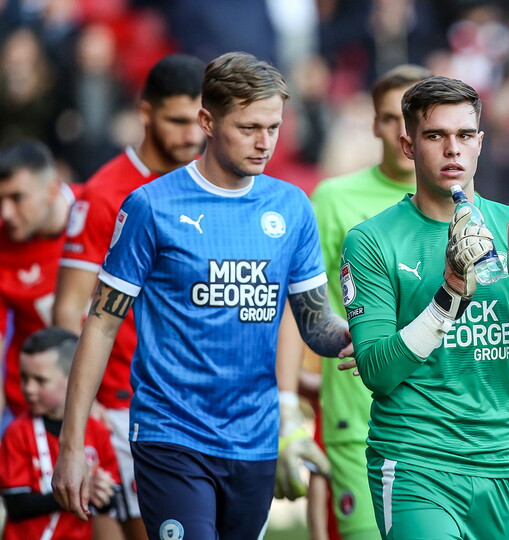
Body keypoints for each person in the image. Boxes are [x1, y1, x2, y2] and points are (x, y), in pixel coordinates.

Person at [51, 51, 351, 540]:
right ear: (207, 121)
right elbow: (101, 323)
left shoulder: (291, 206)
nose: (264, 142)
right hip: (172, 433)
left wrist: (355, 336)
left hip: (254, 437)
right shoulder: (151, 206)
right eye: (249, 126)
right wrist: (71, 443)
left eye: (273, 127)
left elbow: (315, 321)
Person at [340, 76, 509, 539]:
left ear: (480, 143)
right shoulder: (371, 240)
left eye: (465, 136)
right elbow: (376, 370)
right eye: (435, 136)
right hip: (415, 460)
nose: (453, 149)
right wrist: (449, 294)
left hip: (500, 462)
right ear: (408, 146)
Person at [51, 53, 205, 540]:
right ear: (145, 113)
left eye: (198, 122)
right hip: (121, 404)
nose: (190, 135)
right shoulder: (104, 193)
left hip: (191, 398)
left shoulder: (207, 185)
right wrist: (82, 406)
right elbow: (69, 307)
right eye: (177, 121)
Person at [309, 63, 432, 540]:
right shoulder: (333, 198)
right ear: (375, 124)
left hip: (437, 415)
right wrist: (287, 398)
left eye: (415, 116)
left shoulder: (463, 204)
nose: (404, 130)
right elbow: (301, 306)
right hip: (355, 412)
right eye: (391, 117)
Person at [1, 327, 120, 540]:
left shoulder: (98, 431)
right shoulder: (17, 432)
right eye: (24, 378)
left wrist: (102, 492)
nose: (28, 388)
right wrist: (83, 491)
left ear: (72, 378)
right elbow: (16, 504)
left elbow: (110, 502)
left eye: (40, 380)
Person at [0, 140, 78, 432]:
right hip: (31, 411)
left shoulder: (101, 212)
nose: (5, 213)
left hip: (116, 396)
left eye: (17, 197)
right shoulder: (2, 243)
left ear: (52, 189)